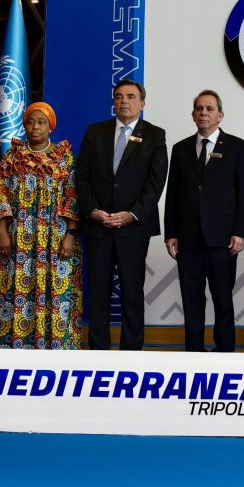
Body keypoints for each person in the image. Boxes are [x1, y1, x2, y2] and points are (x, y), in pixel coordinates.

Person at [0, 102, 82, 349]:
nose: (35, 127)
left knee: (56, 292)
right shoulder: (12, 156)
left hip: (55, 239)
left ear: (50, 127)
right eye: (30, 122)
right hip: (19, 238)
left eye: (41, 122)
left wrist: (69, 234)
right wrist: (2, 232)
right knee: (18, 291)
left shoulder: (64, 157)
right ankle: (16, 346)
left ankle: (54, 345)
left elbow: (74, 197)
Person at [75, 79, 168, 351]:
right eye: (119, 96)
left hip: (133, 229)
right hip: (98, 226)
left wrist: (132, 214)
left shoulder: (154, 135)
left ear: (142, 103)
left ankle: (131, 351)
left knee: (131, 292)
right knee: (98, 292)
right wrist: (93, 211)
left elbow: (155, 183)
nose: (124, 101)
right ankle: (99, 351)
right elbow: (81, 177)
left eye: (130, 96)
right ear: (113, 101)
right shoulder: (95, 131)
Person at [164, 90, 244, 352]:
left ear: (220, 115)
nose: (204, 113)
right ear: (193, 115)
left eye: (209, 109)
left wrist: (241, 232)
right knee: (191, 299)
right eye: (199, 108)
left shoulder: (237, 146)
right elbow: (173, 195)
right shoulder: (180, 149)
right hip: (188, 239)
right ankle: (194, 352)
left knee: (222, 298)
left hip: (222, 239)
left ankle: (225, 350)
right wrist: (171, 233)